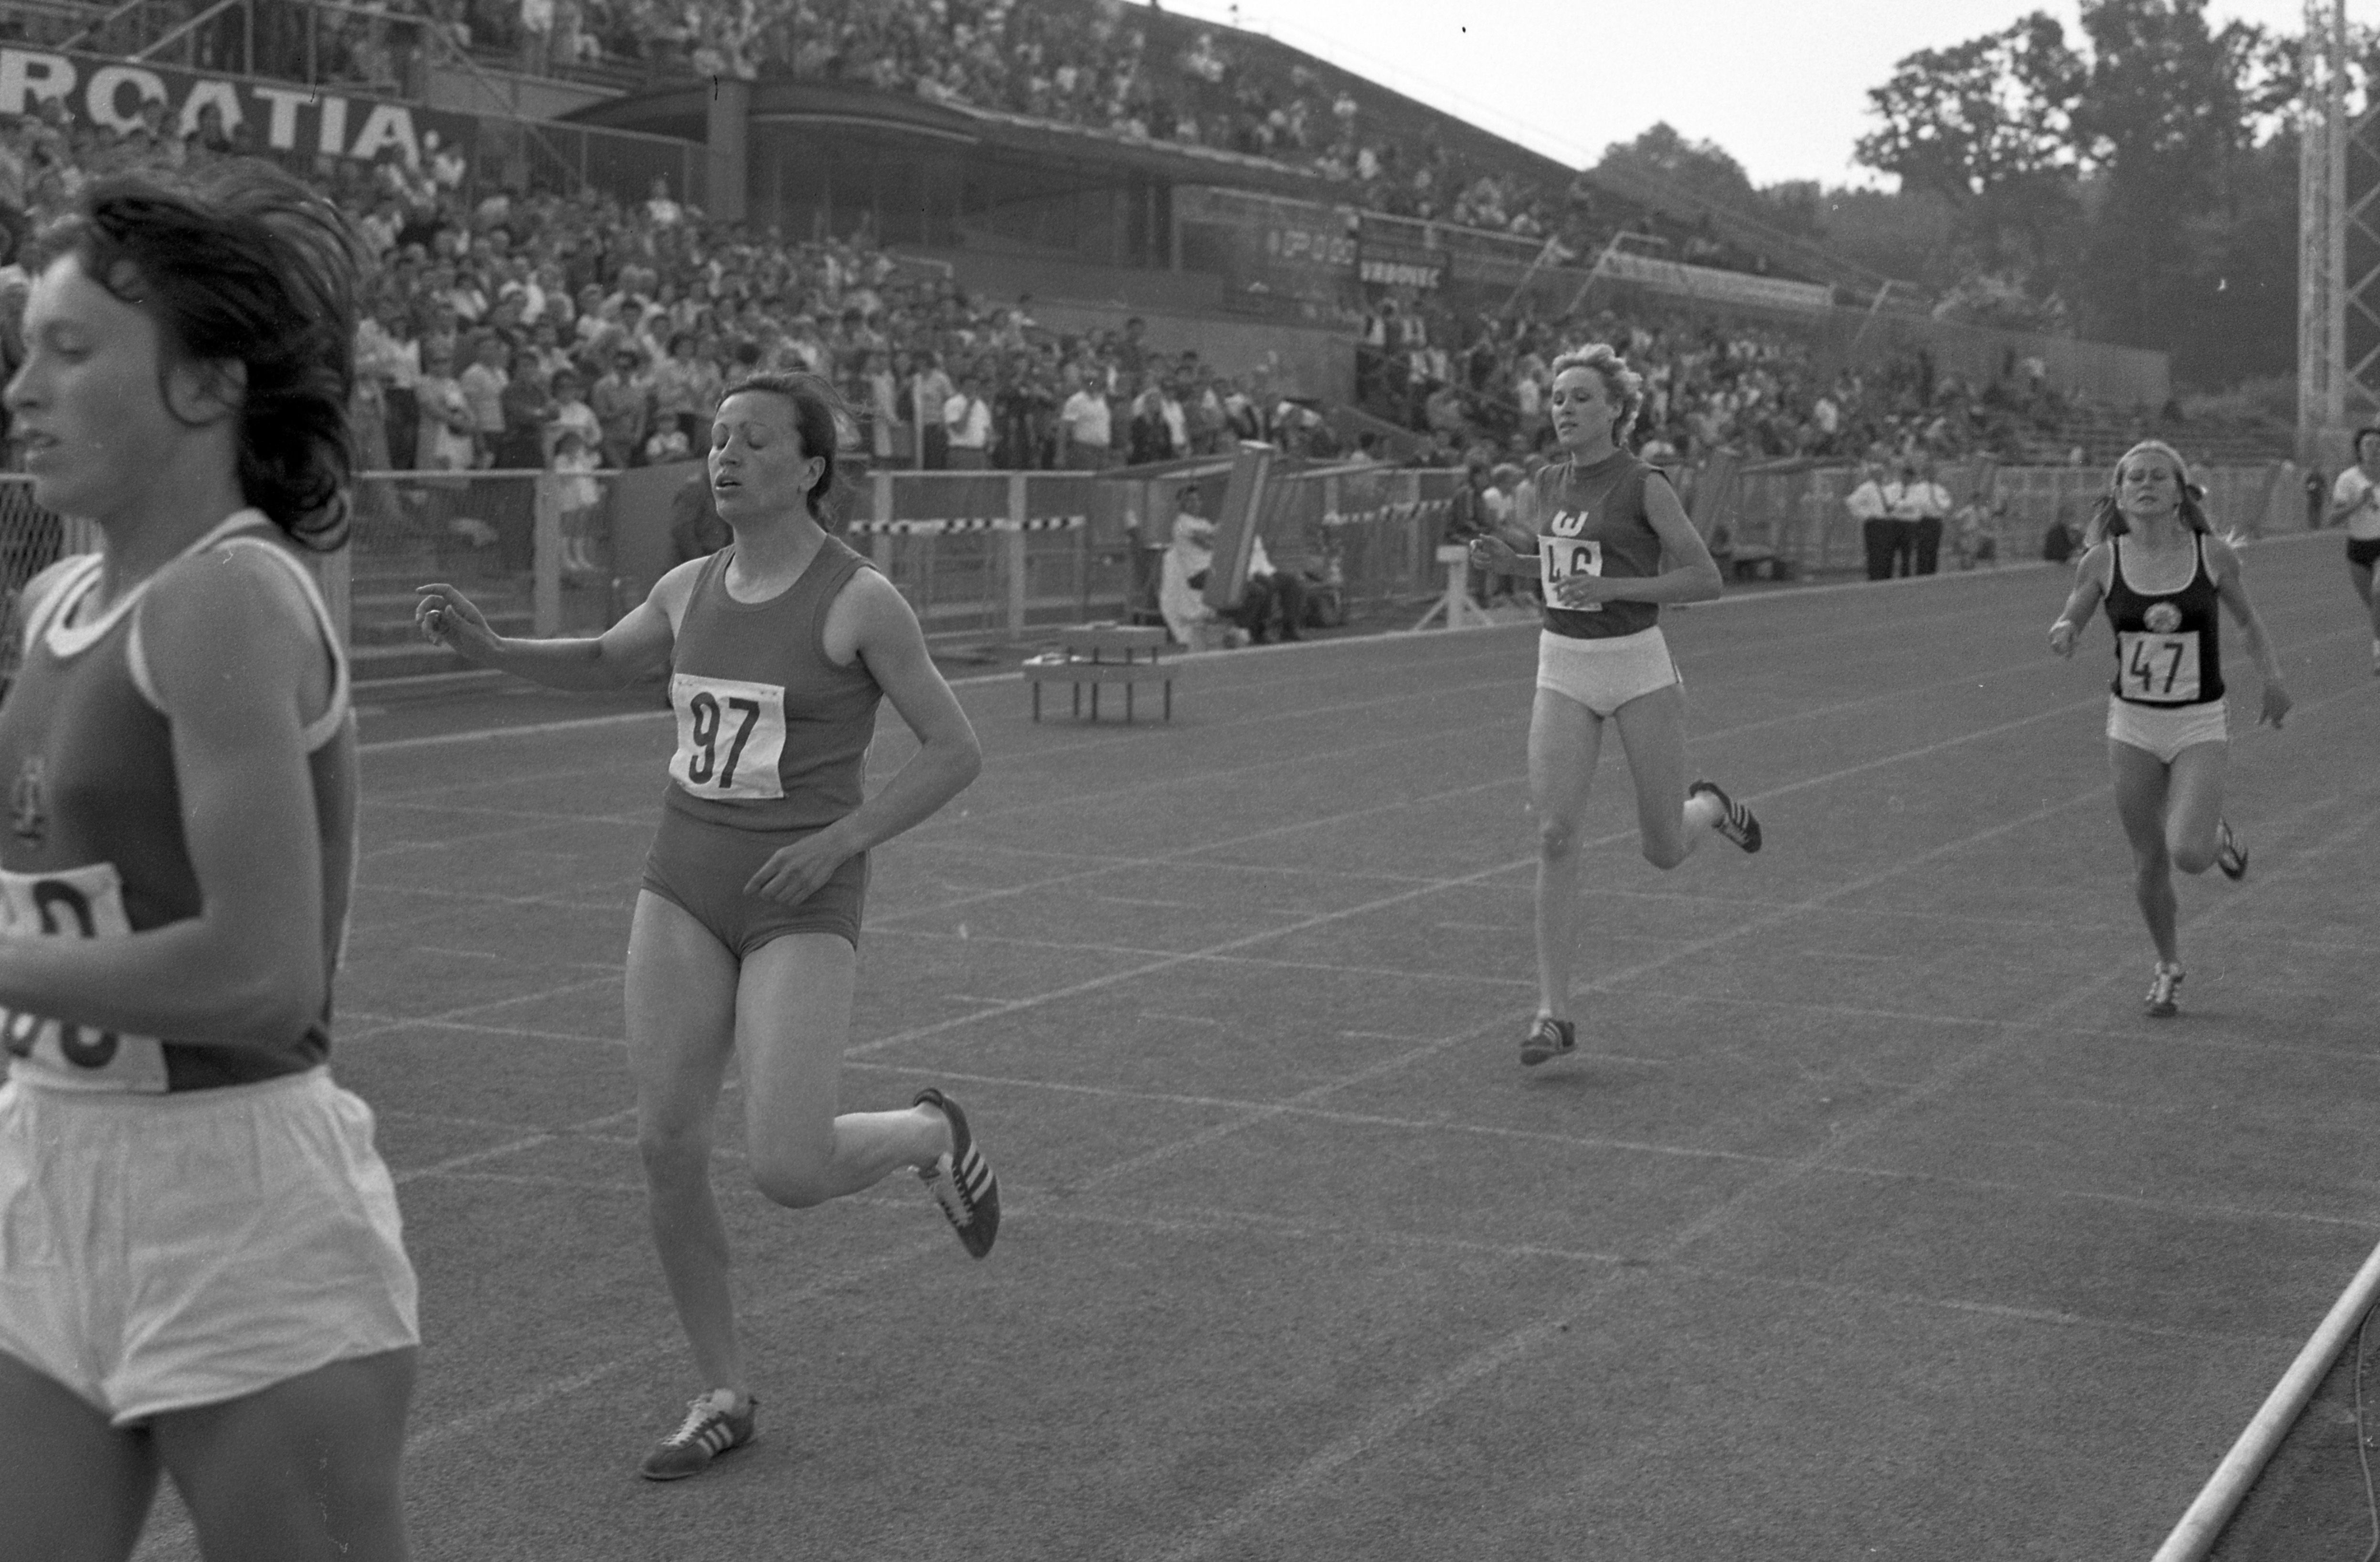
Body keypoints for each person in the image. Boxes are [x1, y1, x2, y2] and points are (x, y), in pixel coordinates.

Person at [414, 371, 997, 1482]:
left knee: (788, 1163)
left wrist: (841, 839)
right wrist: (495, 654)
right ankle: (723, 1387)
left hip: (801, 898)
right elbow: (603, 660)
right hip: (682, 884)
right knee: (665, 1143)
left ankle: (929, 1133)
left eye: (752, 441)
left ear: (811, 468)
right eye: (716, 439)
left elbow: (955, 750)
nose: (724, 457)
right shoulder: (691, 585)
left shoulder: (859, 600)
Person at [0, 164, 417, 1561]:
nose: (20, 390)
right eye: (22, 352)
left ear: (205, 387)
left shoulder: (228, 602)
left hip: (234, 1198)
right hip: (49, 1166)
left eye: (67, 352)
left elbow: (260, 972)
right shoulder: (62, 595)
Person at [1464, 344, 1763, 1067]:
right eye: (1558, 397)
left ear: (1616, 410)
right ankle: (1552, 1014)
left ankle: (1711, 808)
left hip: (1636, 665)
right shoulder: (1546, 480)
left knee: (1661, 849)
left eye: (1581, 398)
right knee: (1555, 835)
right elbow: (1569, 563)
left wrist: (1620, 592)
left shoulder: (1644, 483)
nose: (1564, 408)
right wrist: (1517, 567)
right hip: (1562, 662)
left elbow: (1704, 578)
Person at [2048, 440, 2291, 1018]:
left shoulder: (2211, 556)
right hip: (2131, 724)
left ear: (2180, 492)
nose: (2146, 484)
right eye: (2135, 477)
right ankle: (2168, 964)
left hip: (2197, 721)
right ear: (2119, 493)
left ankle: (2218, 836)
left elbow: (2248, 620)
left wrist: (2272, 680)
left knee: (2187, 852)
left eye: (2159, 476)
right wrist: (2064, 629)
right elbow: (2076, 608)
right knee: (2148, 861)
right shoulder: (2103, 560)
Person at [2323, 425, 2380, 674]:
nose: (2374, 449)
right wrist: (2359, 502)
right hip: (2358, 548)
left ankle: (2379, 651)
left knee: (2379, 595)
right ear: (2359, 449)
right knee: (2375, 607)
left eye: (2378, 444)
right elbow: (2333, 519)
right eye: (2368, 444)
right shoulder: (2348, 480)